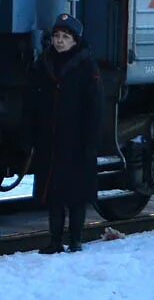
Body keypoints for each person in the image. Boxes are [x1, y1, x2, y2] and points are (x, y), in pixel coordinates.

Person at [26, 13, 103, 253]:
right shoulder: (43, 64)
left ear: (75, 40)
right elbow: (31, 104)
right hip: (50, 140)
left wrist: (91, 141)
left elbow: (95, 107)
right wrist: (30, 134)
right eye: (57, 36)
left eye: (65, 37)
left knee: (77, 195)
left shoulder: (87, 66)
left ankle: (76, 239)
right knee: (54, 195)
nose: (59, 41)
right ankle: (55, 240)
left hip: (77, 141)